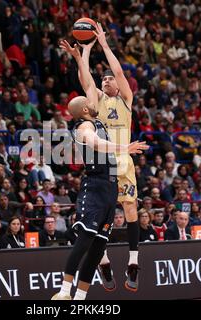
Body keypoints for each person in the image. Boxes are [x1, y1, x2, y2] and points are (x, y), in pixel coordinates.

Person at [64, 22, 143, 292]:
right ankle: (104, 261)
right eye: (104, 79)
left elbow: (119, 71)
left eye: (109, 79)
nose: (105, 81)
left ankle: (133, 263)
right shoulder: (96, 103)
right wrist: (82, 54)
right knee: (103, 217)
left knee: (130, 208)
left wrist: (104, 45)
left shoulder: (126, 99)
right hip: (108, 159)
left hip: (124, 159)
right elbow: (85, 79)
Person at [51, 93, 147, 300]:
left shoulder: (98, 122)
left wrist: (82, 58)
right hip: (95, 186)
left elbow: (89, 81)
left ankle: (80, 298)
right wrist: (124, 148)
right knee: (85, 241)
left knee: (97, 250)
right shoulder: (83, 126)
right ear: (85, 109)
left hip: (111, 189)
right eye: (90, 102)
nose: (95, 102)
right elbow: (93, 142)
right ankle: (64, 292)